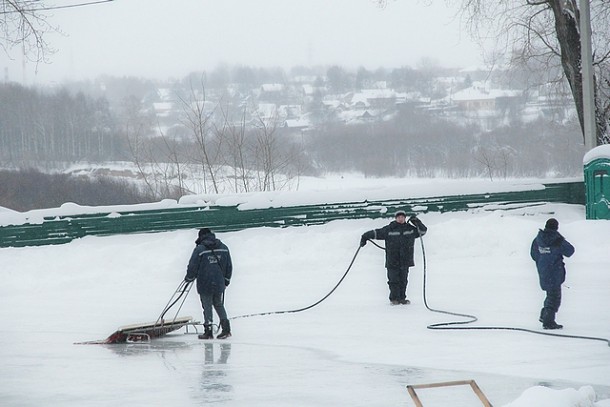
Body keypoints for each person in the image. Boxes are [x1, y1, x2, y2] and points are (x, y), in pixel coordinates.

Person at [360, 211, 427, 305]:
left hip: (405, 260)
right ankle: (394, 299)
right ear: (395, 218)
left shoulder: (410, 229)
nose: (400, 219)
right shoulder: (389, 229)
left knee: (403, 280)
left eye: (402, 217)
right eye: (399, 217)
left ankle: (402, 298)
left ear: (405, 218)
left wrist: (417, 222)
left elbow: (423, 231)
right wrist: (365, 236)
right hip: (393, 260)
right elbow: (376, 233)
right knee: (393, 280)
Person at [185, 228, 233, 339]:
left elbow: (193, 265)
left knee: (207, 306)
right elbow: (229, 266)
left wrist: (189, 277)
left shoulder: (200, 249)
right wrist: (226, 280)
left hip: (205, 282)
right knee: (218, 304)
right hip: (219, 282)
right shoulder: (224, 248)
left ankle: (208, 331)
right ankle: (226, 329)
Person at [530, 218, 575, 330]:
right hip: (555, 272)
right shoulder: (557, 240)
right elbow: (570, 251)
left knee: (550, 294)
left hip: (543, 271)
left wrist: (542, 261)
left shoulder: (538, 239)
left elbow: (533, 254)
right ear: (556, 227)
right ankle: (548, 321)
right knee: (554, 297)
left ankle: (544, 315)